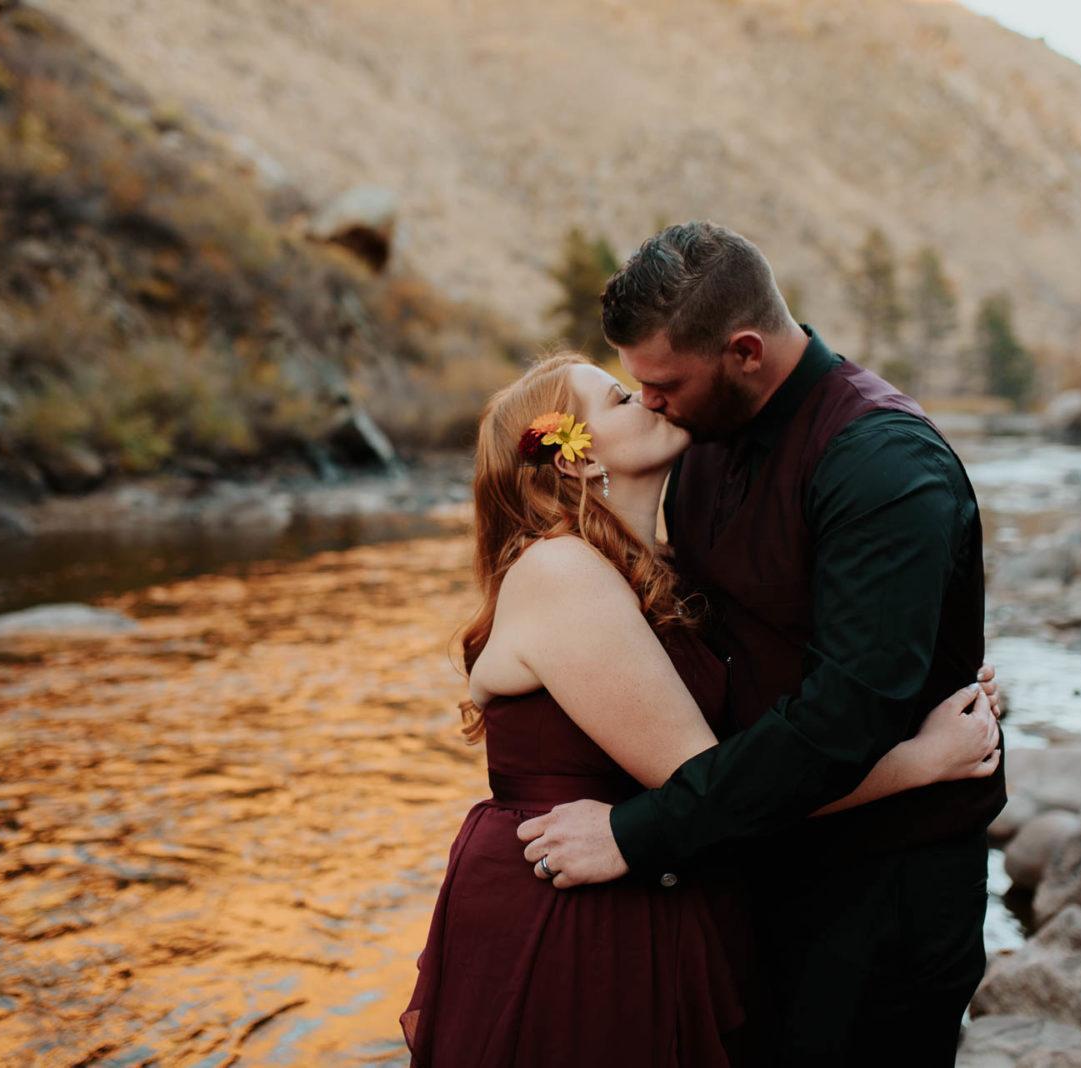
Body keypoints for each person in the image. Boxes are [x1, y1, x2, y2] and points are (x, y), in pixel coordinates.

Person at [402, 351, 1003, 1066]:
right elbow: (711, 780)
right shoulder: (563, 572)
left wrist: (913, 683)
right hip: (565, 905)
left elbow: (764, 702)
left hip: (653, 887)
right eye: (621, 399)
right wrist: (923, 760)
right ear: (574, 460)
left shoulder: (658, 569)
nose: (650, 399)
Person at [516, 222, 1008, 1066]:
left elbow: (843, 719)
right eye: (637, 386)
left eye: (664, 384)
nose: (650, 403)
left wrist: (637, 833)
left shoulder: (881, 463)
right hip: (749, 859)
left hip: (881, 886)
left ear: (744, 351)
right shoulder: (700, 441)